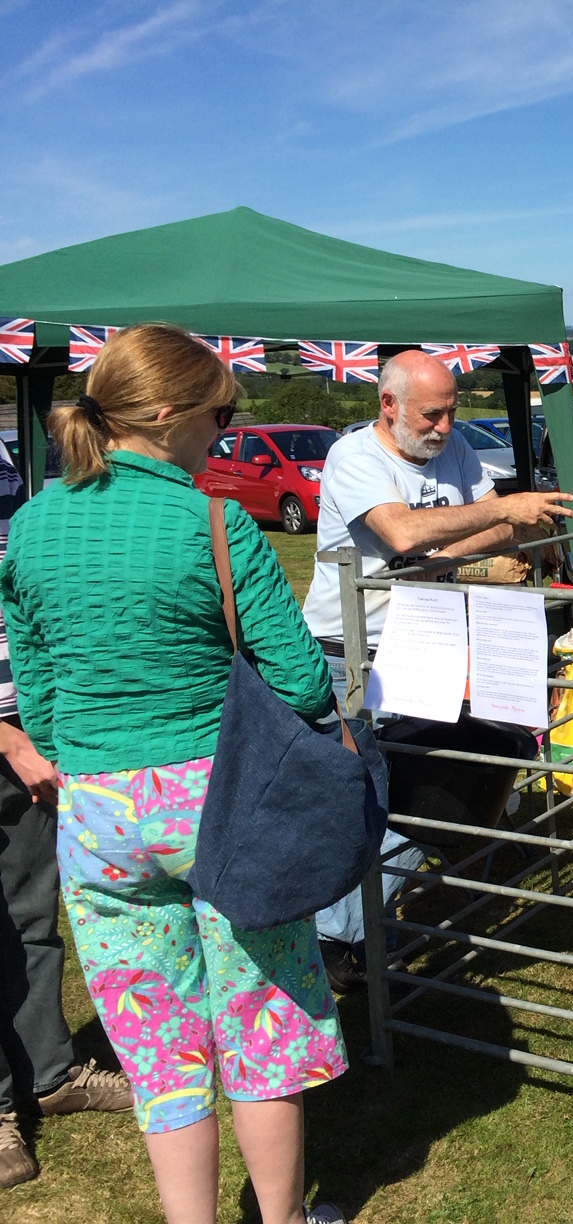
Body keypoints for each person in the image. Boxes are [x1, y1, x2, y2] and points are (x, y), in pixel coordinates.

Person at [0, 324, 345, 1224]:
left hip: (97, 811)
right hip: (216, 802)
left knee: (158, 1044)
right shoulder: (213, 520)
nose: (223, 434)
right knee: (260, 1022)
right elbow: (304, 681)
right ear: (165, 415)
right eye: (220, 415)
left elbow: (35, 692)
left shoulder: (32, 525)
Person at [301, 350, 573, 987]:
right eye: (432, 414)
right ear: (387, 405)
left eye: (452, 411)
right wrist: (496, 512)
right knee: (363, 794)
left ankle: (348, 935)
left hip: (429, 640)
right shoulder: (354, 457)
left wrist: (441, 546)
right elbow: (401, 534)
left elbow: (498, 536)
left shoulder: (452, 451)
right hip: (353, 651)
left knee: (418, 796)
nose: (446, 426)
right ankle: (339, 938)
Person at [0, 444, 133, 1189]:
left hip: (31, 736)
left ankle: (48, 1076)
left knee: (31, 917)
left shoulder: (16, 481)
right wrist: (12, 740)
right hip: (14, 740)